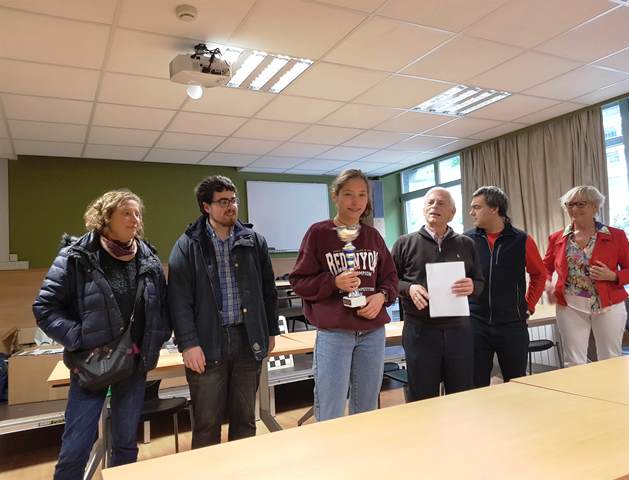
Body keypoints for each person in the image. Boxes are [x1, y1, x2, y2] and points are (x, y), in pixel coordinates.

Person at [33, 190, 169, 480]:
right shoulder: (76, 256)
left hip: (133, 364)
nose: (135, 220)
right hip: (90, 365)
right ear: (105, 217)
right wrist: (79, 338)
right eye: (126, 213)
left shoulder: (148, 258)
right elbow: (45, 308)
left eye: (137, 214)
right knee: (75, 447)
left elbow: (162, 306)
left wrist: (155, 339)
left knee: (125, 444)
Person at [168, 175, 278, 448]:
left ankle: (241, 468)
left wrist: (270, 331)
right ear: (206, 206)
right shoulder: (188, 245)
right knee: (206, 425)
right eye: (223, 202)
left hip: (247, 339)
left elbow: (268, 291)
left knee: (245, 420)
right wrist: (188, 344)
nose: (231, 207)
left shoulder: (254, 241)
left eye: (233, 200)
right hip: (207, 343)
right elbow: (178, 300)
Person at [289, 169, 398, 422]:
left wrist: (381, 296)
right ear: (335, 196)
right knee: (331, 409)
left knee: (366, 408)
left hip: (372, 333)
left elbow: (391, 279)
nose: (356, 201)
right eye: (348, 194)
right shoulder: (318, 233)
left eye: (362, 195)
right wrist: (333, 282)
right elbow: (298, 282)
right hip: (334, 333)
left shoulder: (372, 236)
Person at [391, 187, 483, 400]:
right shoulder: (404, 243)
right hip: (420, 331)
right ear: (423, 209)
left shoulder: (466, 244)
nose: (435, 206)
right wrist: (408, 288)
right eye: (430, 203)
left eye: (441, 203)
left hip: (459, 331)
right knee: (422, 397)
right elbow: (389, 282)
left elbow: (480, 282)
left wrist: (472, 286)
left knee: (461, 395)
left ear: (452, 212)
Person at [543, 185, 629, 366]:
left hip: (608, 304)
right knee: (573, 361)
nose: (574, 209)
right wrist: (547, 283)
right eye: (570, 204)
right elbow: (545, 268)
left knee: (609, 359)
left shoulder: (616, 236)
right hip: (570, 305)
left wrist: (613, 276)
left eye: (581, 204)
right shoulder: (557, 238)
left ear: (595, 206)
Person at [465, 186, 546, 386]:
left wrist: (529, 305)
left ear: (494, 209)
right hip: (476, 324)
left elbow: (539, 274)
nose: (471, 212)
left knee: (516, 382)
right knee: (475, 385)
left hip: (512, 325)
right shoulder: (466, 240)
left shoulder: (522, 240)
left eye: (477, 207)